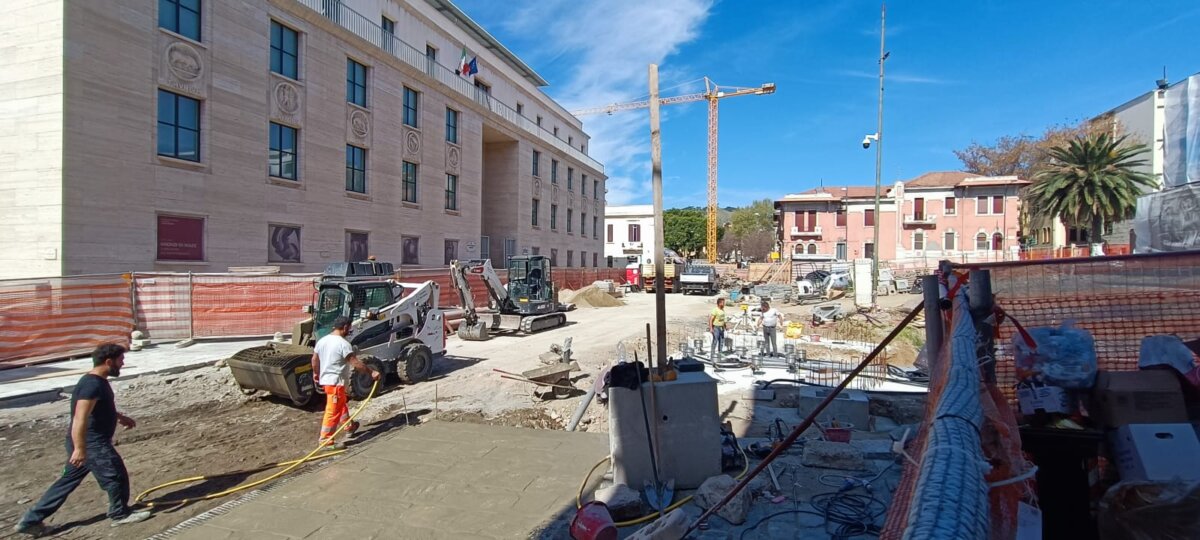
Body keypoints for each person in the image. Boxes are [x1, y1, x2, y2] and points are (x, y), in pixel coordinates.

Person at [14, 344, 152, 536]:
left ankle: (30, 521)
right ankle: (119, 515)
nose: (122, 364)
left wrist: (120, 417)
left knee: (65, 483)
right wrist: (80, 448)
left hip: (86, 444)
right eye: (120, 360)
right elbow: (80, 417)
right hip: (91, 444)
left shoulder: (97, 382)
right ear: (108, 361)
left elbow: (98, 408)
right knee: (115, 476)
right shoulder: (92, 384)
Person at [311, 316, 380, 448]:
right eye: (349, 328)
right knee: (333, 411)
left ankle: (349, 426)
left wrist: (316, 373)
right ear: (345, 327)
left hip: (328, 382)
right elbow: (355, 363)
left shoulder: (322, 341)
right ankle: (325, 441)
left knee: (341, 404)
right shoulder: (343, 344)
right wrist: (371, 372)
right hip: (335, 382)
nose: (350, 331)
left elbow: (314, 359)